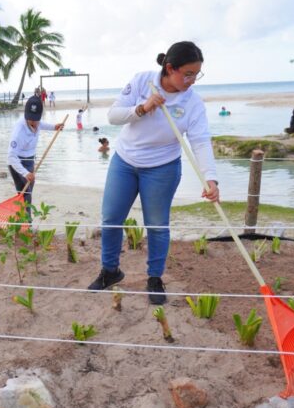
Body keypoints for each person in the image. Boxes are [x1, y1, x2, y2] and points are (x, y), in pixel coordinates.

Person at [87, 41, 219, 305]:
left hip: (163, 168)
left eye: (197, 74)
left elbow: (201, 141)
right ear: (170, 68)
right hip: (125, 161)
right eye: (188, 74)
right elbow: (113, 116)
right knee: (111, 218)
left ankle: (155, 278)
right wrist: (143, 108)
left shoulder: (192, 102)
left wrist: (210, 178)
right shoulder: (142, 81)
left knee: (157, 225)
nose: (193, 80)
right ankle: (110, 271)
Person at [7, 87, 64, 218]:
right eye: (30, 119)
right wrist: (25, 173)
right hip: (17, 163)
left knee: (26, 192)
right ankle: (27, 223)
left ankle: (22, 220)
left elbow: (42, 124)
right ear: (26, 115)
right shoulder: (18, 131)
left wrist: (54, 127)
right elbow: (11, 157)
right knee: (26, 192)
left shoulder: (37, 122)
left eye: (36, 119)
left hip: (29, 160)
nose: (33, 122)